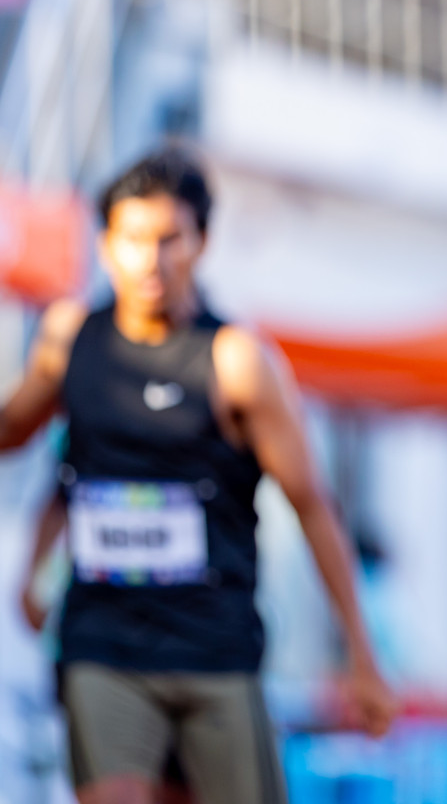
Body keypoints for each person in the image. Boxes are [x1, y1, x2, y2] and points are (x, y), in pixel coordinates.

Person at [0, 148, 396, 804]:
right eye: (131, 240)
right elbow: (18, 436)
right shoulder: (70, 340)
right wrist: (37, 568)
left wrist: (362, 654)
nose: (150, 262)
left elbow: (313, 504)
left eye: (169, 240)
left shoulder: (237, 361)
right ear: (104, 246)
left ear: (202, 243)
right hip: (104, 644)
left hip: (214, 649)